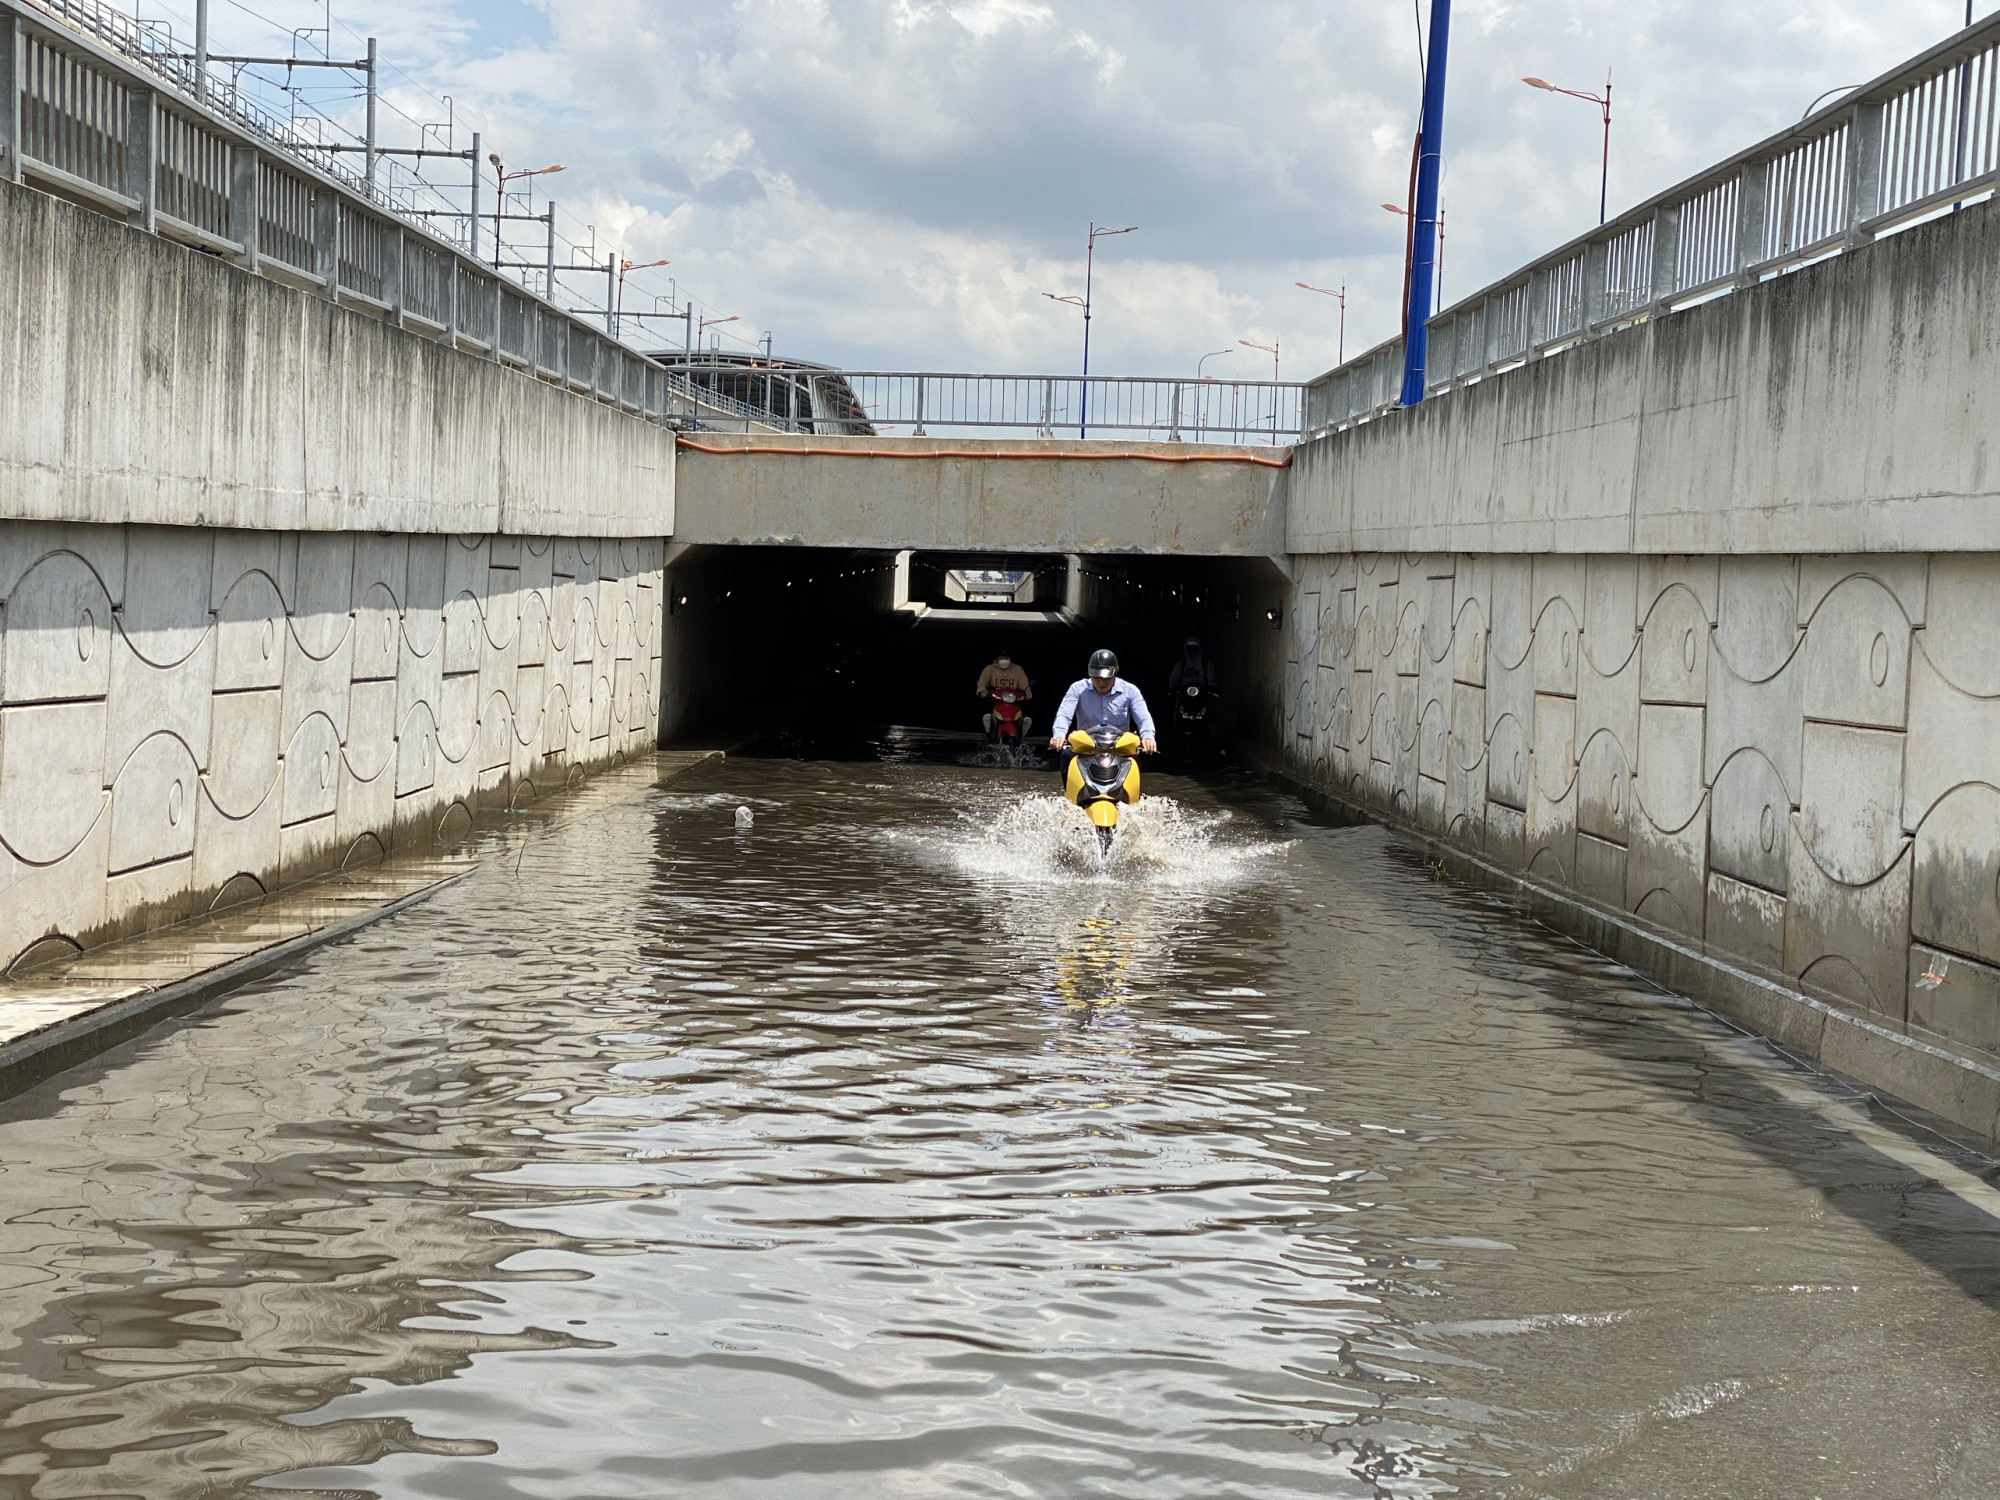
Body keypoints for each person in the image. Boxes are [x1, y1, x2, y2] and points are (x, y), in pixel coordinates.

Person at [1048, 649, 1158, 760]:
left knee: (1135, 760)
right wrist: (1059, 735)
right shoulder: (1077, 689)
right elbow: (1064, 714)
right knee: (1066, 756)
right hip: (1086, 748)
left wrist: (1148, 737)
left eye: (1106, 677)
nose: (1101, 682)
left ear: (1116, 671)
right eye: (1096, 677)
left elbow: (1143, 718)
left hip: (1120, 749)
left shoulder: (1131, 691)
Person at [975, 651, 1033, 739]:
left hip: (1013, 698)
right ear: (997, 659)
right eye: (1001, 658)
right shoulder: (990, 669)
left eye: (1006, 658)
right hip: (996, 697)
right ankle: (988, 725)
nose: (1004, 661)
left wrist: (1028, 692)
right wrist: (981, 690)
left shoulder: (1017, 669)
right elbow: (982, 682)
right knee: (987, 707)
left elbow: (1024, 683)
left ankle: (1021, 728)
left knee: (1023, 711)